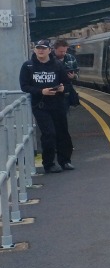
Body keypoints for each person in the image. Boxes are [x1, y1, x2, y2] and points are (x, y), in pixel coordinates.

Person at [19, 39, 74, 173]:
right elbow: (24, 86)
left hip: (58, 104)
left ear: (50, 50)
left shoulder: (57, 65)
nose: (41, 50)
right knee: (49, 133)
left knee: (62, 132)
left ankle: (65, 160)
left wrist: (62, 89)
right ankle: (49, 163)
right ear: (34, 50)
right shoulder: (28, 66)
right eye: (38, 48)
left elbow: (67, 84)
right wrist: (40, 91)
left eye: (44, 48)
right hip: (40, 105)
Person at [52, 38, 80, 107]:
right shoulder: (48, 58)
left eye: (65, 51)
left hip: (66, 92)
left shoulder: (71, 58)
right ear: (54, 49)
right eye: (60, 51)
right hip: (52, 92)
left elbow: (77, 74)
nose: (63, 53)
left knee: (63, 114)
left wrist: (74, 76)